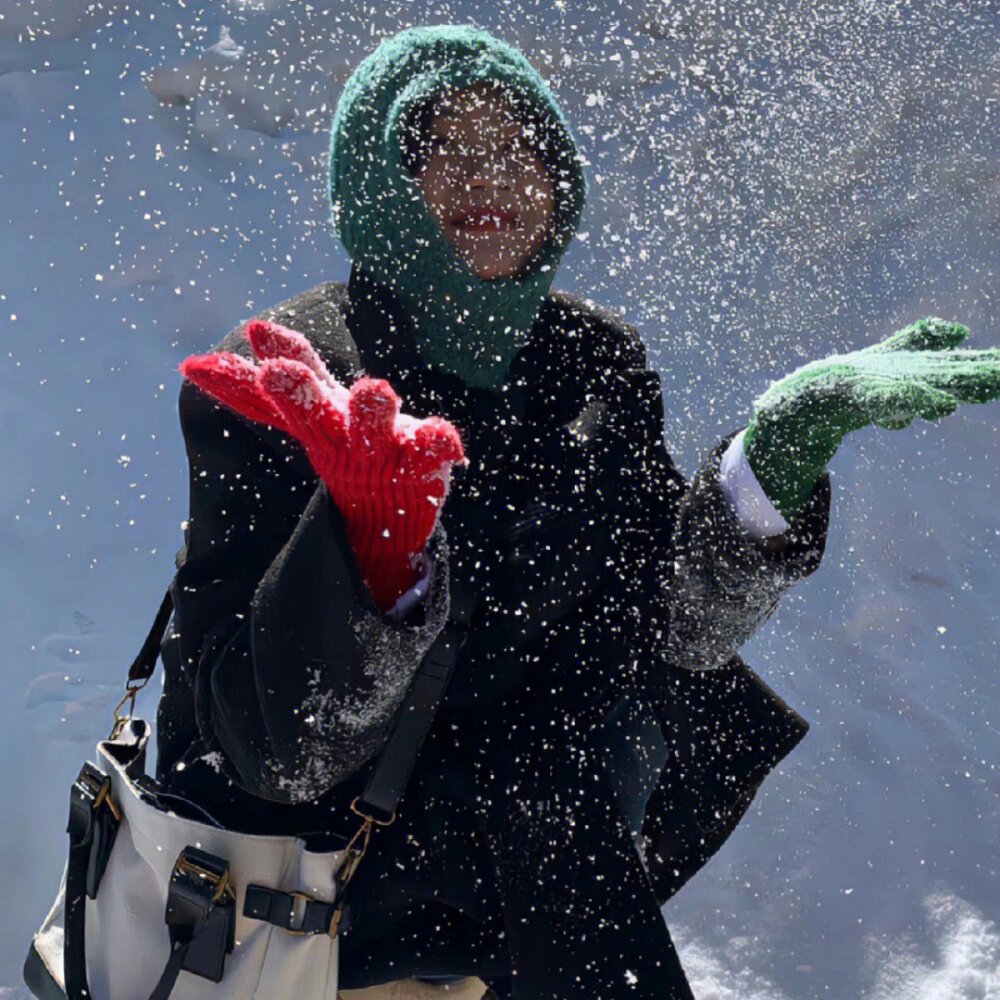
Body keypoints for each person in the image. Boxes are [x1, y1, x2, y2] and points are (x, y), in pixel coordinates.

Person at [159, 24, 1000, 1000]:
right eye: (445, 151)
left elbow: (668, 632)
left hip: (551, 901)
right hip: (328, 928)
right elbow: (267, 750)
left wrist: (769, 464)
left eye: (520, 147)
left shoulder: (593, 361)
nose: (492, 176)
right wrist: (370, 559)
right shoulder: (290, 369)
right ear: (382, 182)